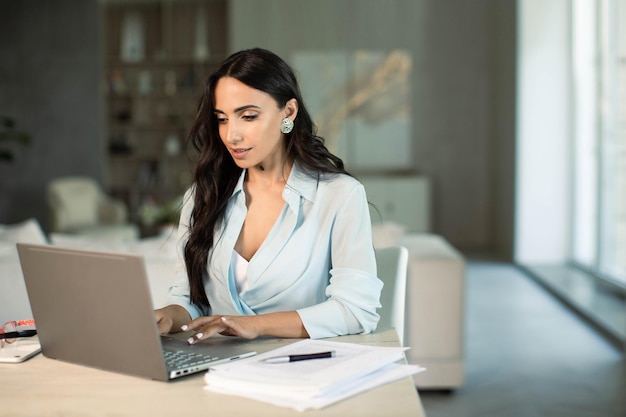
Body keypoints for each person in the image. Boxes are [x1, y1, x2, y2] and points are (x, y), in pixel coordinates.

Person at [155, 48, 382, 343]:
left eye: (248, 116)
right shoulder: (203, 196)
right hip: (218, 369)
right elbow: (190, 300)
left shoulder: (339, 196)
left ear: (288, 112)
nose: (231, 135)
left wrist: (256, 325)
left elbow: (356, 310)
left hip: (301, 370)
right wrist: (169, 317)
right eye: (222, 119)